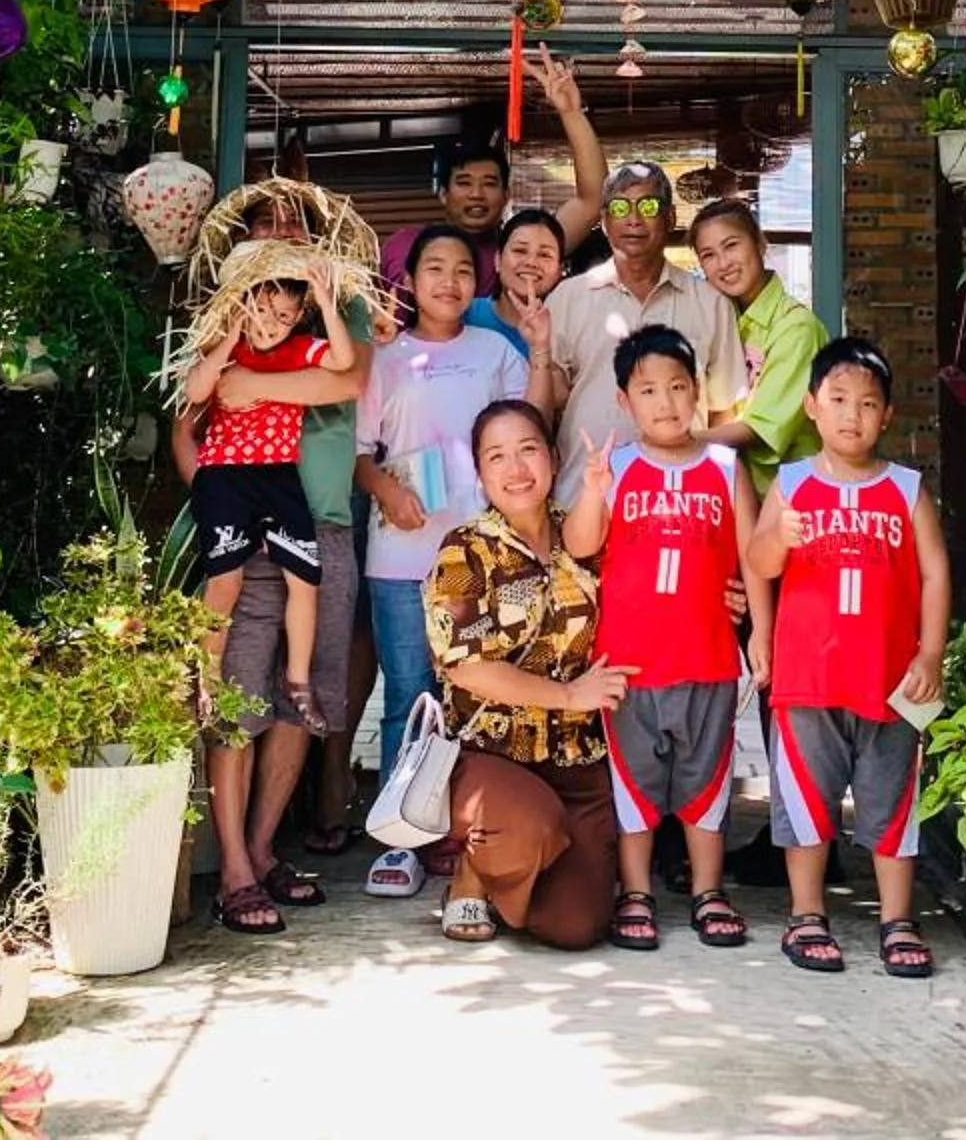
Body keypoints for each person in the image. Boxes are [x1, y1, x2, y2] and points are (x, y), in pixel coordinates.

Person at [180, 183, 375, 930]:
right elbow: (192, 409)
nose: (282, 231)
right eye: (266, 223)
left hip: (319, 521)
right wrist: (212, 491)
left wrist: (252, 383)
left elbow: (346, 377)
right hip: (245, 517)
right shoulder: (224, 312)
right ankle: (232, 867)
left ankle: (261, 851)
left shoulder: (336, 301)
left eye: (297, 223)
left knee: (304, 695)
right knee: (235, 693)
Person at [563, 325, 770, 952]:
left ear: (698, 392)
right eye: (648, 390)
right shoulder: (617, 468)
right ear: (625, 401)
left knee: (707, 782)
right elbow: (579, 545)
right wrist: (595, 492)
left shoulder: (726, 467)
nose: (666, 402)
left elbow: (754, 557)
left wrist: (760, 634)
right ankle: (637, 893)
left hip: (707, 659)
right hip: (629, 666)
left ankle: (709, 890)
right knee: (634, 786)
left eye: (678, 387)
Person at [749, 336, 951, 981]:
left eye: (867, 403)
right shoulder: (791, 483)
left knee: (891, 802)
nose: (851, 415)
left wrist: (932, 652)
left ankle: (897, 920)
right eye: (837, 400)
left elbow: (936, 573)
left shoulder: (906, 489)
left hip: (889, 681)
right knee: (807, 802)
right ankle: (807, 914)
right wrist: (777, 538)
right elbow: (757, 562)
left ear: (887, 415)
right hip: (808, 677)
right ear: (811, 406)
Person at [357, 224, 538, 897]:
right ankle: (400, 839)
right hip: (402, 556)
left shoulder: (496, 353)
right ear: (409, 280)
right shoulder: (384, 358)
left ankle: (466, 838)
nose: (450, 281)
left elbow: (528, 428)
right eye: (435, 268)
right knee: (408, 696)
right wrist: (387, 489)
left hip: (482, 558)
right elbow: (359, 451)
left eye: (464, 270)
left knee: (478, 696)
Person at [424, 399, 629, 948]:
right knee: (525, 825)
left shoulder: (584, 535)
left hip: (577, 762)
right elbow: (465, 667)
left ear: (554, 458)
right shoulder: (463, 551)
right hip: (490, 754)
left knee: (576, 925)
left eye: (528, 450)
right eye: (497, 457)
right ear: (480, 472)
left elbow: (650, 585)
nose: (516, 470)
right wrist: (566, 694)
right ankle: (471, 874)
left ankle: (515, 872)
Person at [180, 260, 359, 760]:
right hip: (225, 474)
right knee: (226, 580)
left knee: (307, 578)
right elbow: (195, 392)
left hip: (278, 474)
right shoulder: (227, 349)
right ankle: (207, 676)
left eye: (283, 313)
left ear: (299, 313)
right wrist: (229, 335)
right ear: (241, 305)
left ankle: (297, 680)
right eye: (260, 310)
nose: (270, 322)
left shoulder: (302, 350)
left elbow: (345, 362)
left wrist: (326, 303)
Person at [542, 161, 746, 506]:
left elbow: (723, 414)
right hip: (584, 502)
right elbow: (548, 404)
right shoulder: (566, 298)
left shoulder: (710, 304)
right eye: (620, 208)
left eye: (648, 207)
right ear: (604, 222)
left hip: (679, 504)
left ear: (670, 219)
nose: (634, 219)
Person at [377, 55, 609, 295]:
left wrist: (570, 112)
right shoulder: (405, 245)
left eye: (489, 184)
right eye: (464, 183)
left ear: (506, 195)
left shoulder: (519, 249)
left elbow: (592, 202)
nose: (476, 194)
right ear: (443, 194)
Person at [691, 197, 826, 500]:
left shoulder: (796, 328)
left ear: (760, 243)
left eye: (731, 245)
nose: (723, 263)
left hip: (788, 503)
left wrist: (676, 443)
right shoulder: (716, 321)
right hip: (732, 499)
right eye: (708, 255)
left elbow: (758, 429)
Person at [463, 206, 566, 358]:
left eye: (544, 255)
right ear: (497, 260)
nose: (531, 262)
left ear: (559, 270)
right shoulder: (464, 314)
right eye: (520, 251)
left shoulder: (568, 326)